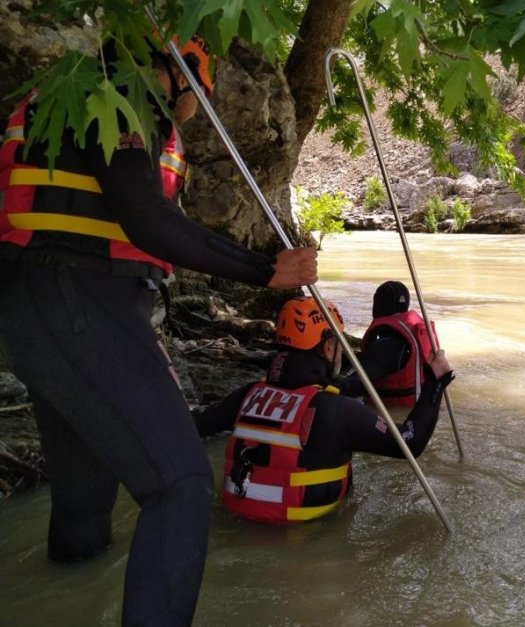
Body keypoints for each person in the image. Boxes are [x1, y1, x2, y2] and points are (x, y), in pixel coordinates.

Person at [0, 33, 317, 626]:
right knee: (179, 485)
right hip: (80, 304)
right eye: (205, 83)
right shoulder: (124, 94)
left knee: (84, 507)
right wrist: (262, 267)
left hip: (37, 311)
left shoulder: (75, 93)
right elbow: (146, 219)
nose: (202, 103)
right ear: (184, 69)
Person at [194, 296, 453, 525]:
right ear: (329, 347)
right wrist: (436, 383)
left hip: (236, 522)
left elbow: (194, 425)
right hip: (305, 538)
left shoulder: (248, 395)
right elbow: (411, 441)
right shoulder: (337, 410)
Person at [337, 280, 439, 408]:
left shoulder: (386, 343)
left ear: (378, 306)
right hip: (422, 409)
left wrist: (326, 389)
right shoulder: (417, 332)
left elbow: (358, 384)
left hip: (395, 416)